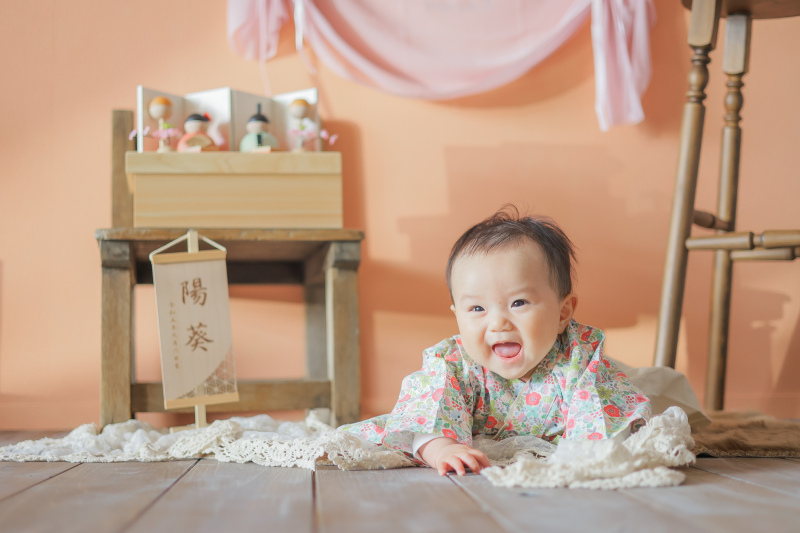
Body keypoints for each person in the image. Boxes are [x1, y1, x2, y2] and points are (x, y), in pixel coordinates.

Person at [340, 206, 651, 476]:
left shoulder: (577, 359)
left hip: (597, 411)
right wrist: (443, 449)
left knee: (649, 392)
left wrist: (591, 452)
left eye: (518, 303)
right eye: (477, 309)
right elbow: (428, 413)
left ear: (563, 312)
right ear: (457, 316)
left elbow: (599, 418)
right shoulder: (454, 364)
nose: (498, 323)